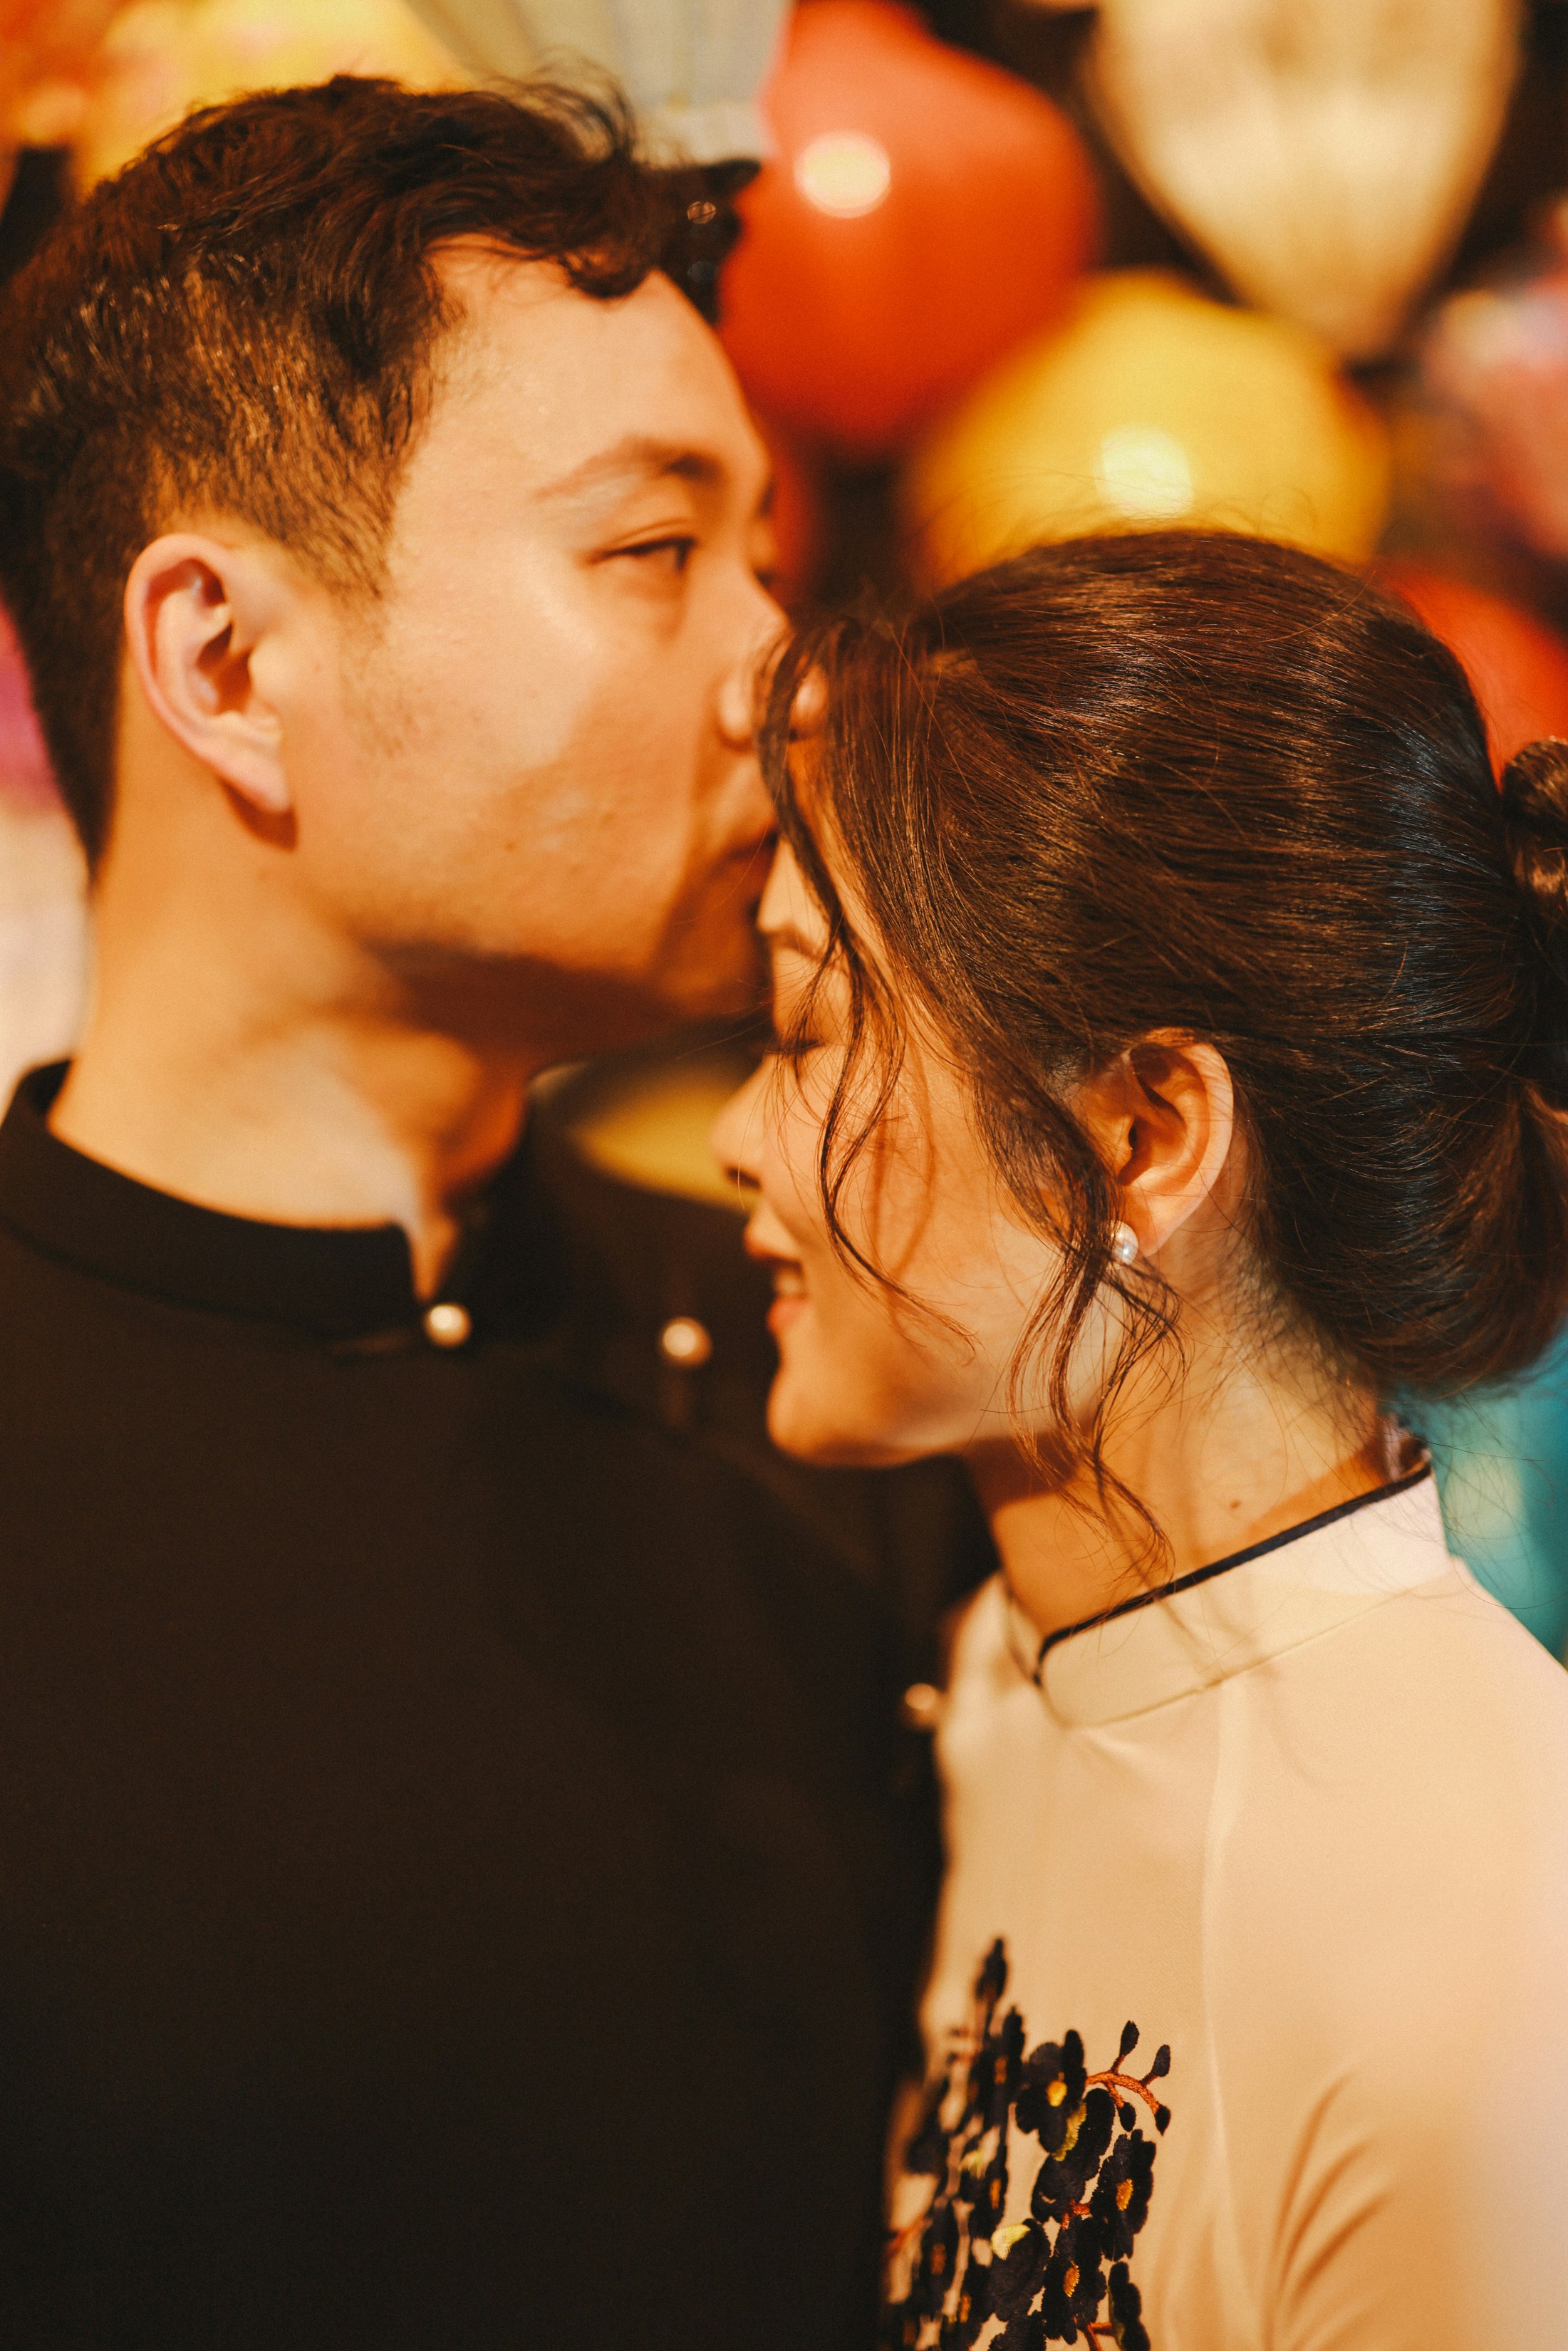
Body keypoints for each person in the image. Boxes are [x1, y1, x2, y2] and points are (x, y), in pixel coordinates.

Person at [0, 73, 981, 2350]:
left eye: (762, 549)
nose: (783, 663)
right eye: (654, 549)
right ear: (225, 662)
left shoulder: (828, 1386)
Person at [715, 529, 1568, 2350]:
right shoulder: (1012, 1685)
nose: (737, 1134)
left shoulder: (1477, 1954)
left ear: (1145, 1134)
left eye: (806, 1030)